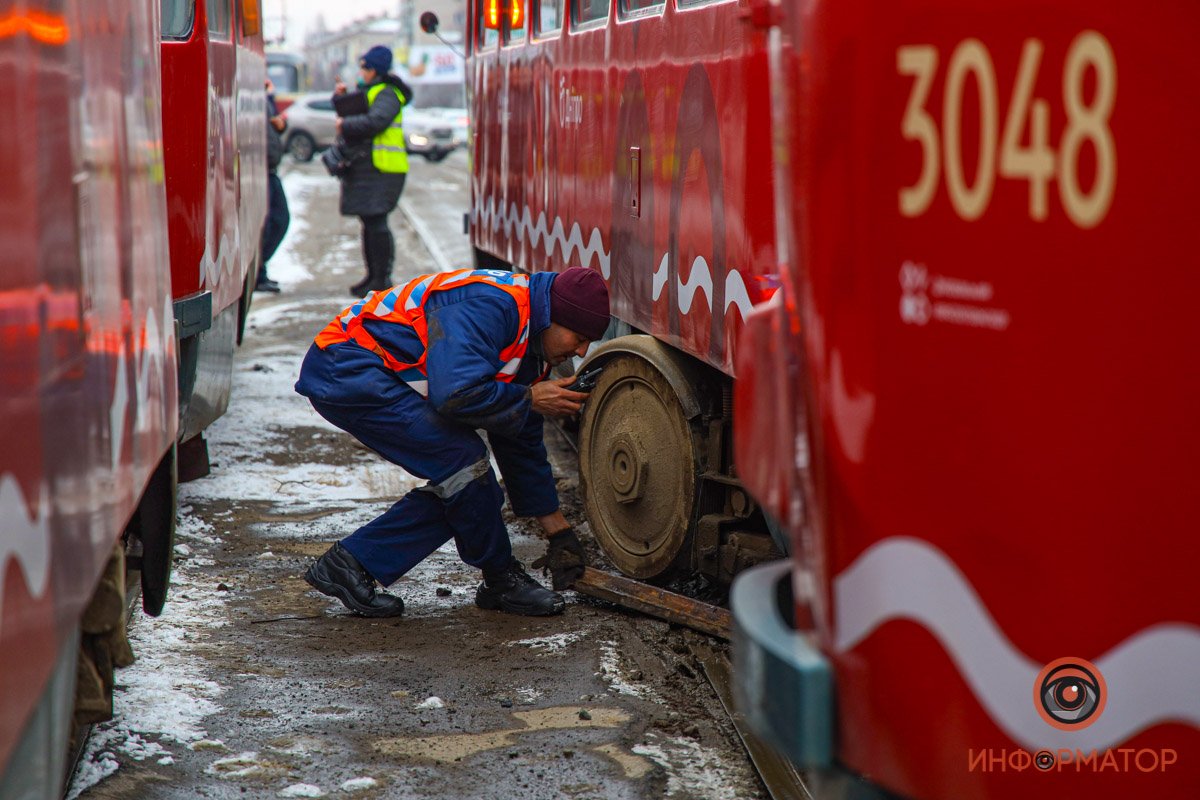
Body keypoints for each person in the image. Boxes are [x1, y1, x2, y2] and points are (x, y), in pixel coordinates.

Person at [295, 266, 610, 618]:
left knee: (471, 485)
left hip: (372, 370)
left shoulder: (531, 341)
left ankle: (351, 563)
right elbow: (455, 394)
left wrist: (559, 534)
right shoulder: (492, 307)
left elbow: (519, 439)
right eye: (578, 337)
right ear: (552, 317)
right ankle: (501, 580)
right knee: (463, 463)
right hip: (346, 366)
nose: (581, 351)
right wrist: (529, 398)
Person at [333, 46, 413, 296]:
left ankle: (382, 279)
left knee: (377, 223)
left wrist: (345, 124)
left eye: (365, 68)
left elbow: (376, 121)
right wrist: (342, 99)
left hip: (385, 168)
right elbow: (362, 113)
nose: (362, 72)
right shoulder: (371, 90)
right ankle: (372, 277)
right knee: (369, 222)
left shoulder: (388, 93)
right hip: (371, 167)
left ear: (376, 70)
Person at [257, 80, 289, 293]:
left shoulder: (265, 96)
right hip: (260, 171)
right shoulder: (257, 94)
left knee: (279, 220)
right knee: (267, 224)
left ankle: (261, 269)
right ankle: (259, 273)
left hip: (269, 170)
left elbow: (274, 127)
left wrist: (281, 125)